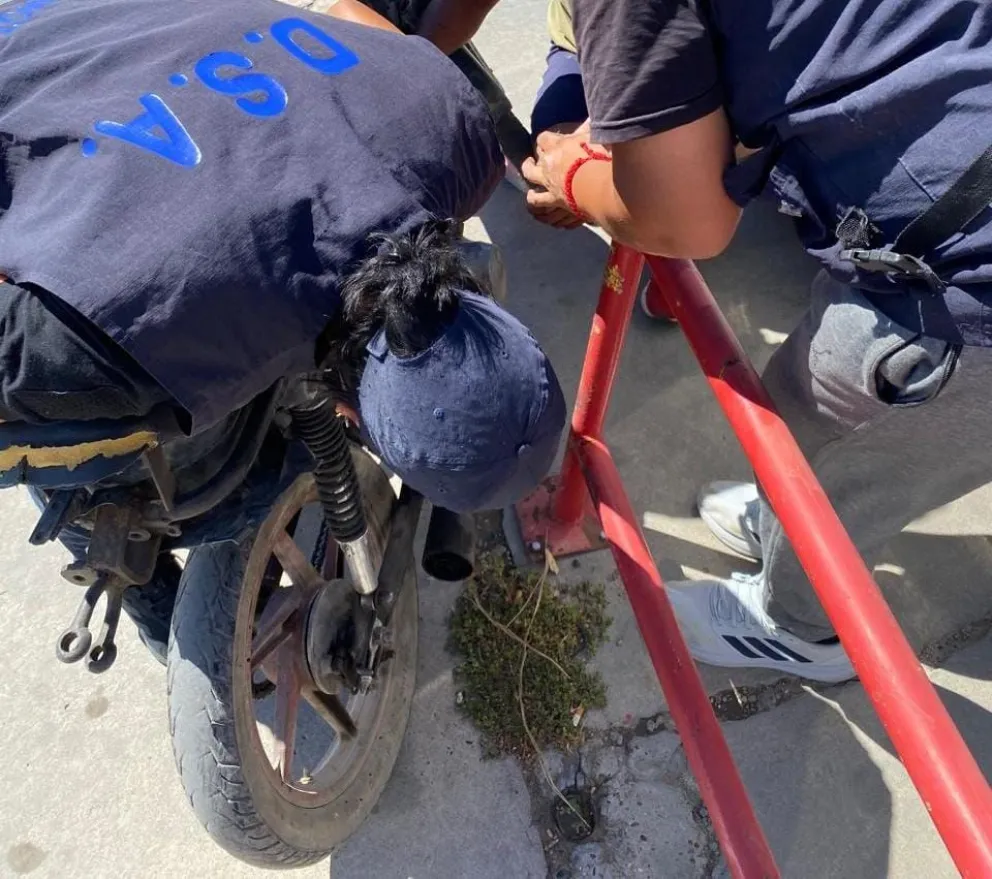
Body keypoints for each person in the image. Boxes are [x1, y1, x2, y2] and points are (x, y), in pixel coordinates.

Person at [0, 0, 565, 657]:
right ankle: (162, 625)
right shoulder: (115, 343)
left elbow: (345, 10)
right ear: (352, 412)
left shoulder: (460, 136)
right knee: (71, 464)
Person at [522, 0, 992, 683]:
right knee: (803, 401)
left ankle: (801, 621)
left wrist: (571, 173)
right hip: (930, 191)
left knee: (847, 439)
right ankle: (785, 519)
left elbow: (687, 220)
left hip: (958, 283)